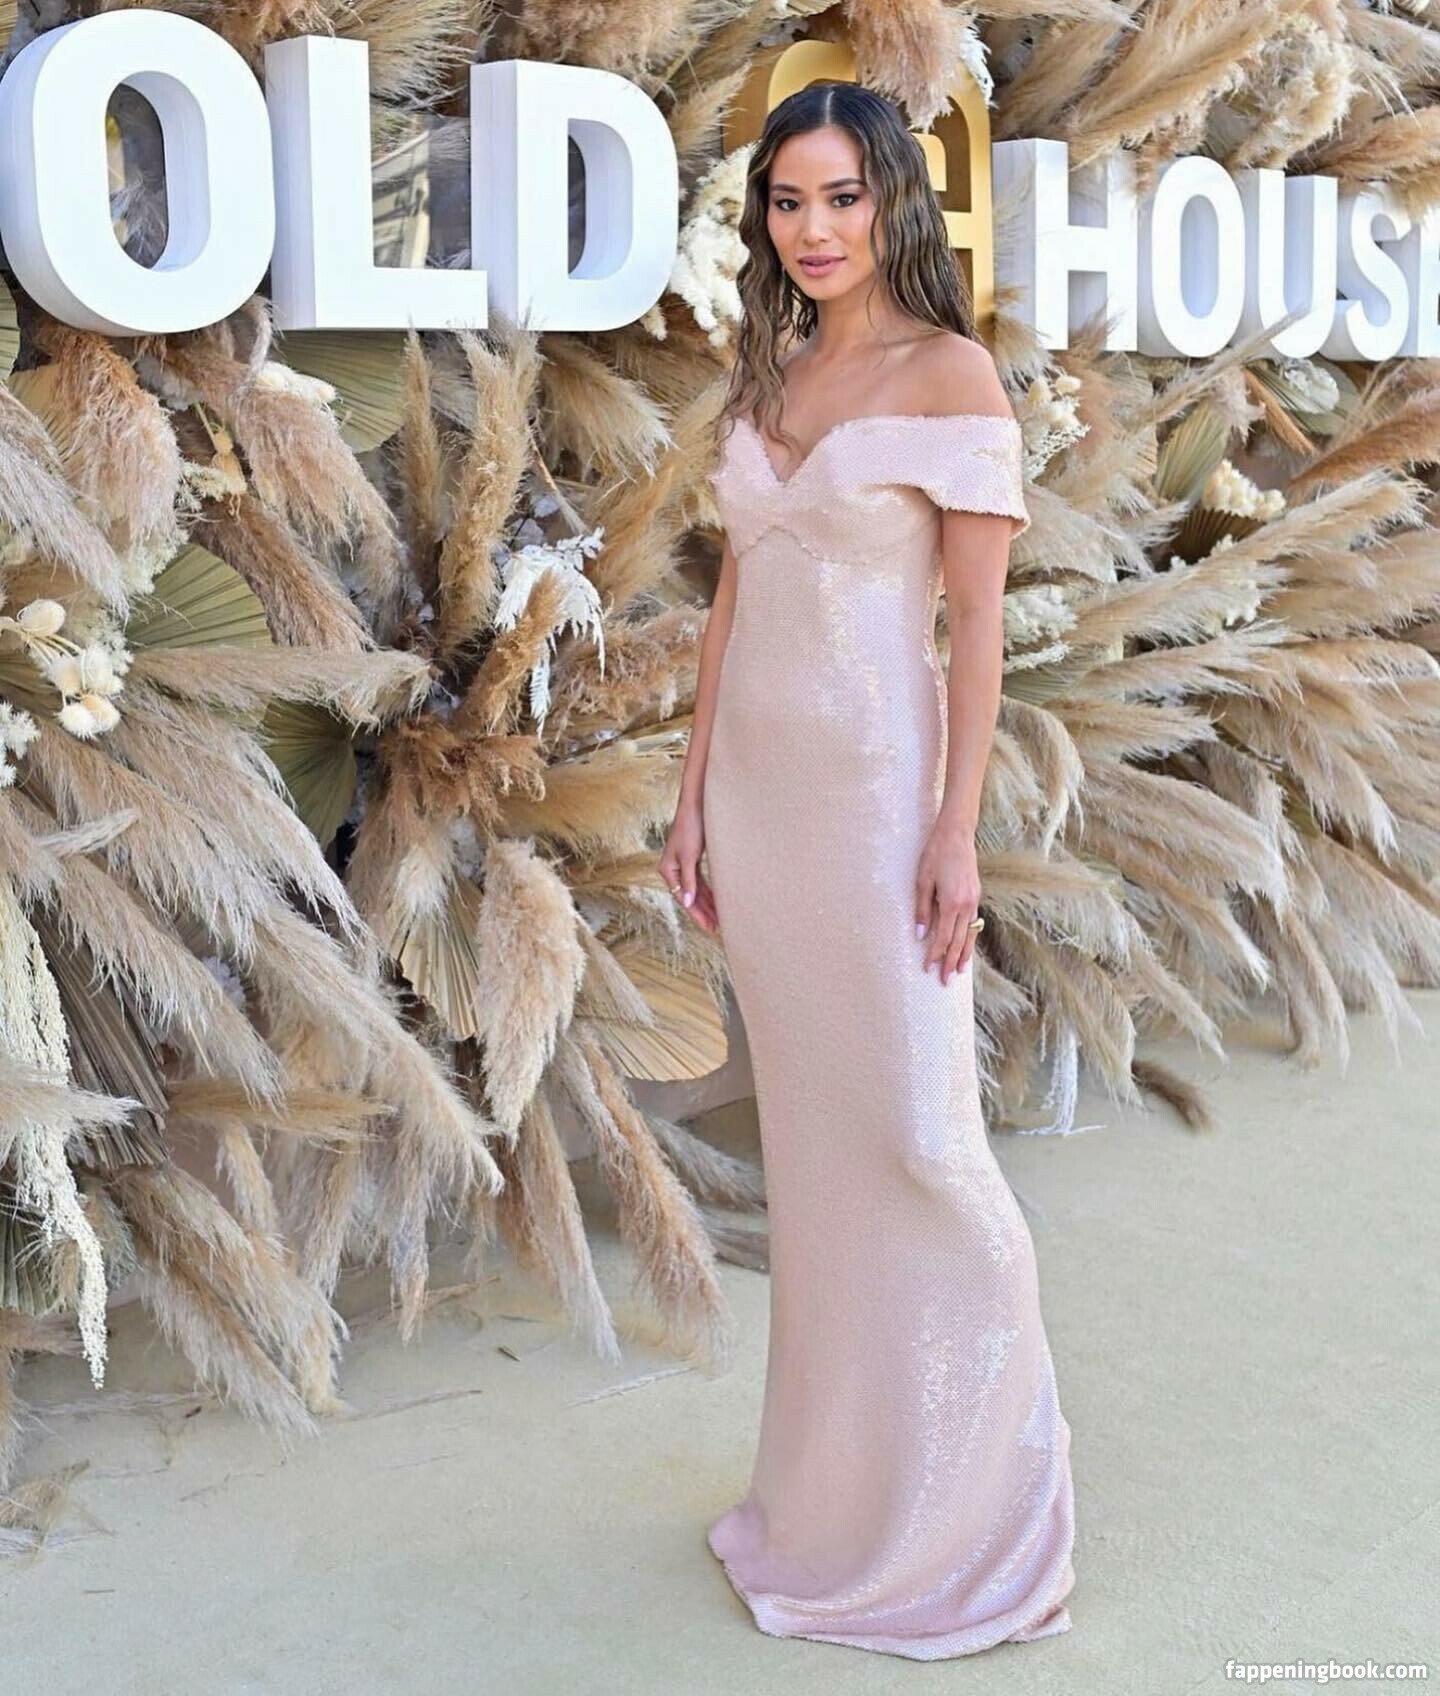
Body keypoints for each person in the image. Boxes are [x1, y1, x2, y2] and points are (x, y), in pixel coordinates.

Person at [658, 79, 1076, 1660]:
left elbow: (975, 628)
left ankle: (985, 1510)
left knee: (918, 1137)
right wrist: (694, 794)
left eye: (840, 196)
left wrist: (955, 828)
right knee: (823, 1160)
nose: (812, 229)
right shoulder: (770, 368)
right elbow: (733, 601)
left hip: (879, 807)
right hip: (763, 807)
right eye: (787, 201)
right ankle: (833, 1504)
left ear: (894, 197)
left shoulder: (950, 373)